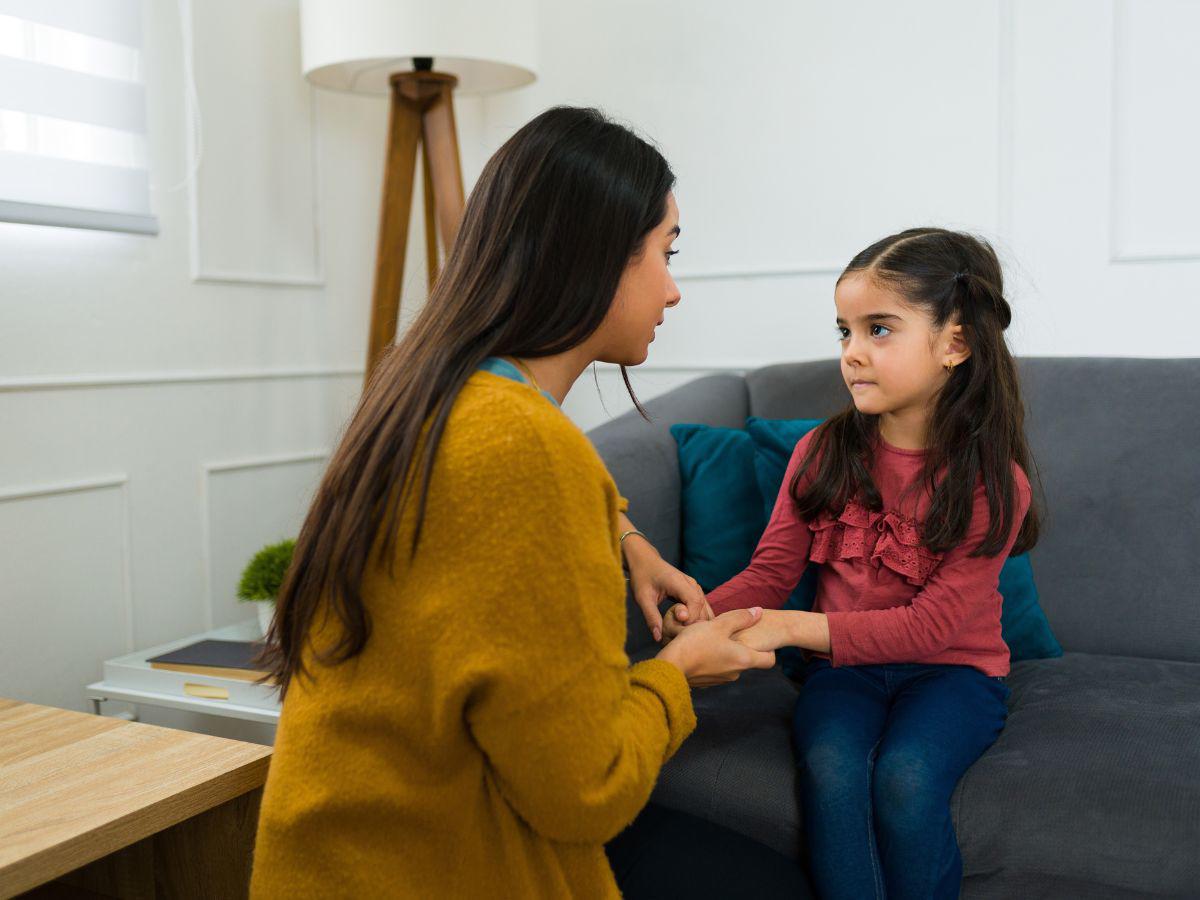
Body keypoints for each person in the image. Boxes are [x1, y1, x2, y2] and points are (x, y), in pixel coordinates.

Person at [249, 106, 809, 899]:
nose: (674, 289)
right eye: (664, 252)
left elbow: (528, 488)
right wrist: (678, 676)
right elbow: (587, 792)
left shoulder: (429, 396)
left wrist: (628, 540)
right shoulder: (526, 450)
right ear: (594, 259)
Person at [665, 227, 1040, 899]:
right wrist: (702, 610)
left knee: (906, 776)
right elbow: (770, 575)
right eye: (845, 331)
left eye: (880, 330)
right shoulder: (821, 452)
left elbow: (930, 629)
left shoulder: (992, 480)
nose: (853, 354)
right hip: (846, 673)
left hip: (953, 673)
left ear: (954, 343)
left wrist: (788, 629)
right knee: (834, 766)